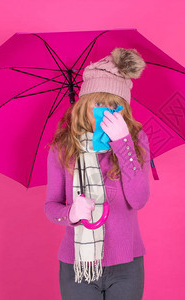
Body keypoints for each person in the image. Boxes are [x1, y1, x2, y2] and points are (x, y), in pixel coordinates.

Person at [44, 47, 150, 300]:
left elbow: (139, 200)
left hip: (127, 264)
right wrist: (70, 213)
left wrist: (123, 143)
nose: (107, 111)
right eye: (99, 104)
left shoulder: (136, 141)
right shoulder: (62, 147)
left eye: (115, 105)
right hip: (77, 266)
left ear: (125, 109)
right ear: (84, 105)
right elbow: (51, 206)